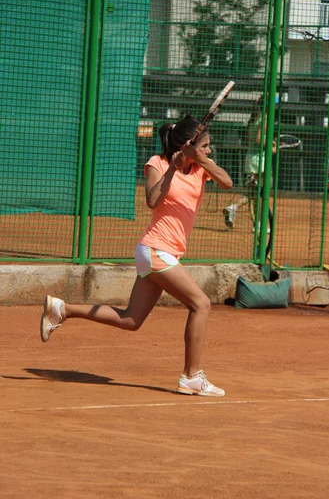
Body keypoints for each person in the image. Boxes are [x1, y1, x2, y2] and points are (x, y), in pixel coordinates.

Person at [40, 115, 233, 397]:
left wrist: (198, 159)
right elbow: (152, 200)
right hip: (156, 249)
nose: (209, 150)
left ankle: (62, 309)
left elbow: (227, 182)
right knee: (201, 304)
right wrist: (174, 168)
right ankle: (192, 376)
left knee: (131, 320)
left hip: (165, 253)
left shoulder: (202, 169)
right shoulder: (158, 163)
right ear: (187, 145)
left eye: (208, 146)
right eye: (205, 146)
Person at [223, 97, 277, 230]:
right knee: (262, 194)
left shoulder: (253, 119)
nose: (275, 107)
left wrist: (271, 142)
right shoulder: (265, 119)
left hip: (250, 159)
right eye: (274, 104)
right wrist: (272, 147)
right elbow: (259, 139)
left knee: (252, 193)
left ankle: (233, 208)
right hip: (260, 162)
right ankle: (259, 225)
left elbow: (250, 139)